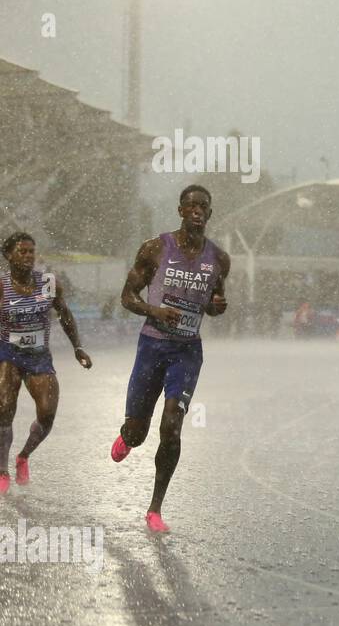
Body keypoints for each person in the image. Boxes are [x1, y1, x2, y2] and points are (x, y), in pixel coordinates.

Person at [111, 185, 230, 532]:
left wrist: (215, 307)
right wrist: (155, 311)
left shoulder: (219, 260)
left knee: (172, 427)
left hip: (187, 352)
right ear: (180, 210)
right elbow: (127, 296)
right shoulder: (154, 248)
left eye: (203, 207)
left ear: (209, 214)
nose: (197, 211)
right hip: (152, 346)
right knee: (138, 432)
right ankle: (128, 437)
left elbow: (214, 303)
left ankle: (155, 508)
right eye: (190, 205)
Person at [0, 233, 92, 493]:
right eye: (22, 251)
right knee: (4, 407)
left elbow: (64, 313)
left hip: (39, 357)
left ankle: (23, 456)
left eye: (32, 251)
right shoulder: (1, 285)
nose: (29, 256)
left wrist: (78, 347)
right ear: (9, 255)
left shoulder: (48, 282)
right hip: (8, 353)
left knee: (47, 413)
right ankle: (2, 470)